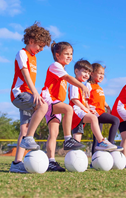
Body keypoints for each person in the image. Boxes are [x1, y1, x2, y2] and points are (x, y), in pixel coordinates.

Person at [9, 23, 51, 173]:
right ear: (31, 40)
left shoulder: (34, 57)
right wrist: (35, 93)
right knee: (43, 106)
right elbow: (25, 75)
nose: (41, 49)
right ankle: (29, 138)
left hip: (28, 95)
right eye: (40, 45)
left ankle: (16, 164)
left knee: (24, 129)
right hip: (19, 94)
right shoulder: (22, 53)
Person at [41, 42, 88, 172]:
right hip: (49, 100)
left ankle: (51, 161)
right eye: (66, 54)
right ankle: (68, 139)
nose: (69, 56)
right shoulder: (56, 65)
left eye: (71, 54)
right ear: (57, 55)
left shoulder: (62, 68)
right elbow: (67, 77)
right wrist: (81, 85)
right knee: (68, 109)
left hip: (55, 103)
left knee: (54, 134)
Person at [69, 60, 118, 154]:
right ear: (76, 71)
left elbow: (85, 100)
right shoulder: (75, 84)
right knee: (94, 119)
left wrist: (107, 107)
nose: (86, 74)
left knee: (77, 138)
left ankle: (74, 156)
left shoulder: (82, 85)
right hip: (76, 112)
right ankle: (102, 141)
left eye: (88, 72)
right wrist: (86, 109)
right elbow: (74, 100)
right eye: (84, 72)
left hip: (80, 112)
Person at [85, 63, 122, 155]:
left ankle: (94, 159)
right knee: (115, 120)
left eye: (103, 74)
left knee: (97, 138)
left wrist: (107, 106)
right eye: (100, 73)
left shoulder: (99, 87)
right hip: (96, 113)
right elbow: (85, 99)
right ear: (92, 74)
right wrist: (88, 109)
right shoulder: (88, 85)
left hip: (101, 111)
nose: (102, 76)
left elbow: (100, 99)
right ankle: (111, 144)